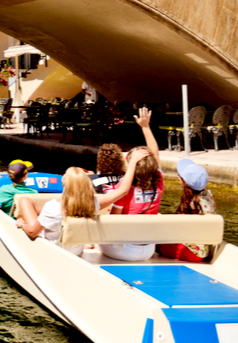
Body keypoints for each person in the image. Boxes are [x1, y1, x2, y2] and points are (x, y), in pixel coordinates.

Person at [13, 150, 142, 255]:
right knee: (35, 207)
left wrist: (22, 223)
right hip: (76, 250)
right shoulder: (94, 204)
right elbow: (124, 190)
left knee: (24, 200)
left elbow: (32, 232)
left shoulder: (53, 206)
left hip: (53, 249)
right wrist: (133, 163)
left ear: (64, 184)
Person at [97, 107, 163, 261]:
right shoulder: (158, 182)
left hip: (126, 249)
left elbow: (114, 221)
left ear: (129, 162)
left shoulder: (124, 187)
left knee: (97, 226)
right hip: (148, 249)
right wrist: (145, 127)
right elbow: (156, 155)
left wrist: (132, 161)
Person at [157, 160, 216, 262]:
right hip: (202, 251)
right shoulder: (207, 195)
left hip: (190, 253)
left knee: (153, 243)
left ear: (182, 181)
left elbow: (178, 228)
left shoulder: (191, 204)